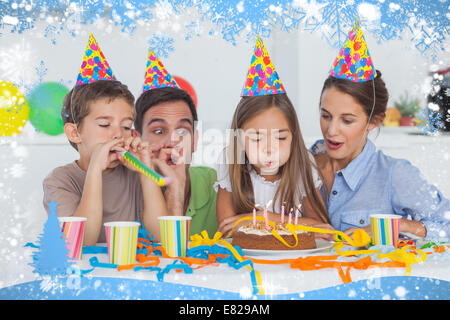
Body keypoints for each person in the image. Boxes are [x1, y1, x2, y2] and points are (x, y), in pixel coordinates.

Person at [311, 22, 450, 241]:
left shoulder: (395, 174)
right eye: (326, 115)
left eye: (347, 120)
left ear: (374, 121)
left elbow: (447, 225)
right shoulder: (300, 163)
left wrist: (399, 225)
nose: (331, 130)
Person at [43, 35, 167, 245]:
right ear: (75, 133)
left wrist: (146, 172)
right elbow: (79, 243)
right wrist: (94, 171)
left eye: (126, 126)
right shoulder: (59, 181)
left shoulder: (136, 174)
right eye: (104, 124)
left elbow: (162, 239)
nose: (118, 134)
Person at [216, 37, 329, 236]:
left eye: (281, 138)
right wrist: (289, 225)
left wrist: (263, 218)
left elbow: (325, 230)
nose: (270, 149)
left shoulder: (303, 165)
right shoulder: (229, 161)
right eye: (257, 139)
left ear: (293, 138)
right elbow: (227, 229)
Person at [134, 48, 218, 239]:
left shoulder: (216, 185)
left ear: (195, 141)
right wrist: (174, 194)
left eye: (182, 131)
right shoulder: (122, 189)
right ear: (137, 139)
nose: (172, 142)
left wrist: (178, 186)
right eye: (158, 131)